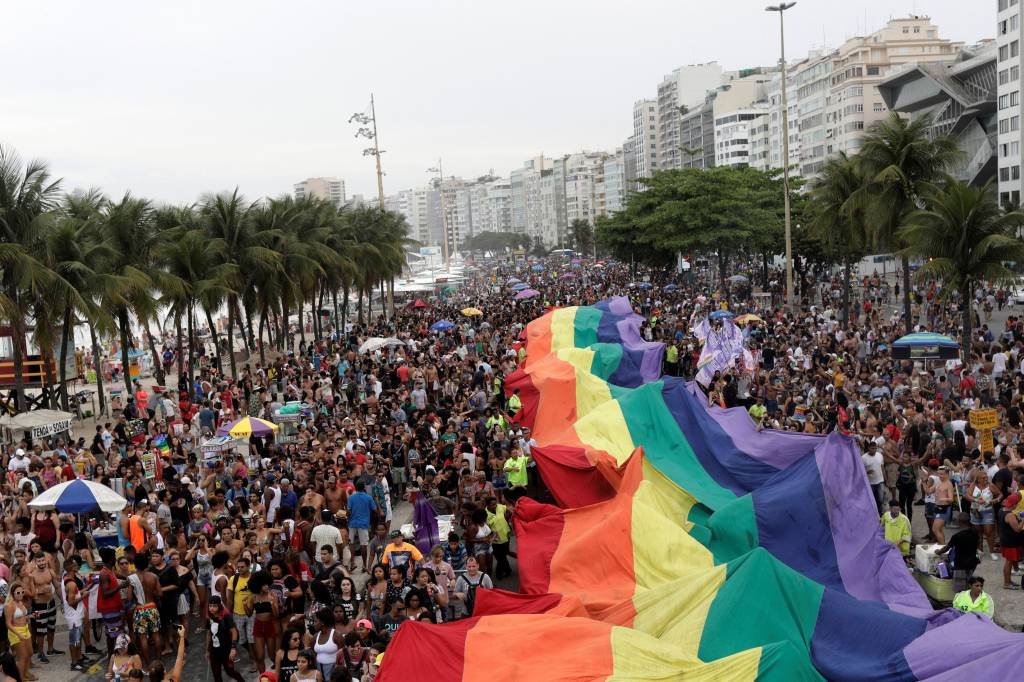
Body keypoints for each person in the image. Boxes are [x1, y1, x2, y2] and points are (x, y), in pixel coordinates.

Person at [206, 595, 246, 682]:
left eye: (214, 606)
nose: (211, 608)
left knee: (230, 672)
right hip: (214, 651)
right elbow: (209, 633)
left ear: (219, 606)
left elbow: (234, 632)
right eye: (210, 606)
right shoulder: (209, 617)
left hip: (226, 650)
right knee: (216, 675)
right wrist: (207, 650)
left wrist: (233, 648)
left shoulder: (226, 617)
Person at [4, 583, 34, 681]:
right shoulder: (9, 606)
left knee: (30, 653)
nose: (20, 594)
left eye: (22, 592)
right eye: (18, 593)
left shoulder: (20, 603)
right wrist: (18, 634)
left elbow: (20, 617)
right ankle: (20, 678)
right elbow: (8, 624)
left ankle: (25, 673)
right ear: (12, 594)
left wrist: (29, 616)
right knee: (23, 656)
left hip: (25, 629)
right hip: (15, 632)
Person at [345, 483, 376, 574]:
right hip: (364, 523)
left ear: (356, 488)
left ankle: (352, 563)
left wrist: (348, 517)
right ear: (364, 488)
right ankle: (364, 565)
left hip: (352, 523)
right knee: (363, 544)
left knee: (351, 543)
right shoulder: (368, 497)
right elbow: (374, 510)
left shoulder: (351, 497)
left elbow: (348, 511)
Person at [999, 492, 1024, 591]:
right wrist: (1023, 520)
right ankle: (1006, 583)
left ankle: (1009, 581)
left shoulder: (1002, 510)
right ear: (1013, 504)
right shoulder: (1009, 515)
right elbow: (1017, 529)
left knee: (1010, 561)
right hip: (1009, 542)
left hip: (1006, 539)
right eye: (1016, 504)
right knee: (1008, 562)